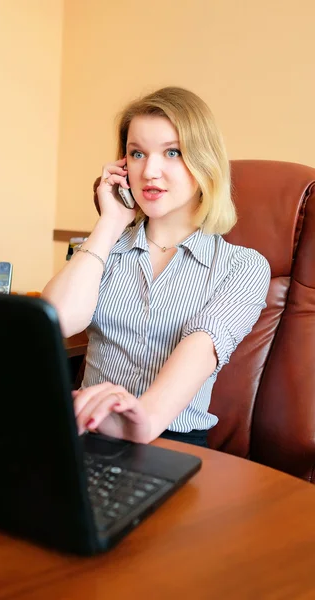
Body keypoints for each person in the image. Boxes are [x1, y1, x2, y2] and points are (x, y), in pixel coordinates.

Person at [42, 86, 271, 448]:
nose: (150, 171)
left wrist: (137, 420)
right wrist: (110, 222)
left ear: (203, 163)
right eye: (137, 153)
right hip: (86, 433)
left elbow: (199, 350)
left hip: (172, 441)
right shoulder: (106, 248)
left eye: (172, 152)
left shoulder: (242, 267)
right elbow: (59, 320)